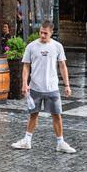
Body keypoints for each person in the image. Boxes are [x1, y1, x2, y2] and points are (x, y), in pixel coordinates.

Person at [11, 20, 76, 154]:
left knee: (57, 115)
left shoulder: (58, 46)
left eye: (45, 33)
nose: (42, 35)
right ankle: (27, 140)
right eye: (41, 32)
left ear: (51, 33)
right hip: (35, 87)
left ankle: (60, 142)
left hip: (52, 88)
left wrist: (67, 85)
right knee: (33, 115)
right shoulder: (31, 46)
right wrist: (24, 83)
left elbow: (63, 66)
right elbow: (26, 66)